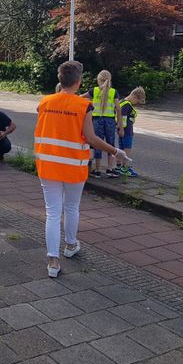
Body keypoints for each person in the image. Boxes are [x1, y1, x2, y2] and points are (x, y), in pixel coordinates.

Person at [35, 61, 129, 278]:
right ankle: (70, 246)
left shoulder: (44, 102)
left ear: (60, 79)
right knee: (72, 207)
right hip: (73, 166)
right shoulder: (82, 106)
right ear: (78, 82)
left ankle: (52, 261)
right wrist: (116, 152)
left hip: (47, 164)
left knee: (52, 211)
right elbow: (91, 138)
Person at [81, 70, 123, 178]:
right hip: (109, 120)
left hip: (97, 120)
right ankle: (110, 169)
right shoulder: (114, 92)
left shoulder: (94, 91)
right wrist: (120, 124)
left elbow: (80, 97)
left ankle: (98, 170)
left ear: (98, 79)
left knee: (97, 143)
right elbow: (118, 108)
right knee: (111, 144)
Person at [115, 87, 146, 177]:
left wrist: (119, 128)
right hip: (126, 131)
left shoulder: (121, 101)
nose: (136, 103)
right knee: (127, 149)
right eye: (137, 101)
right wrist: (122, 129)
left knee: (121, 149)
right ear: (135, 97)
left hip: (121, 130)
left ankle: (118, 166)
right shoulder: (127, 105)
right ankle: (125, 168)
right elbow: (122, 117)